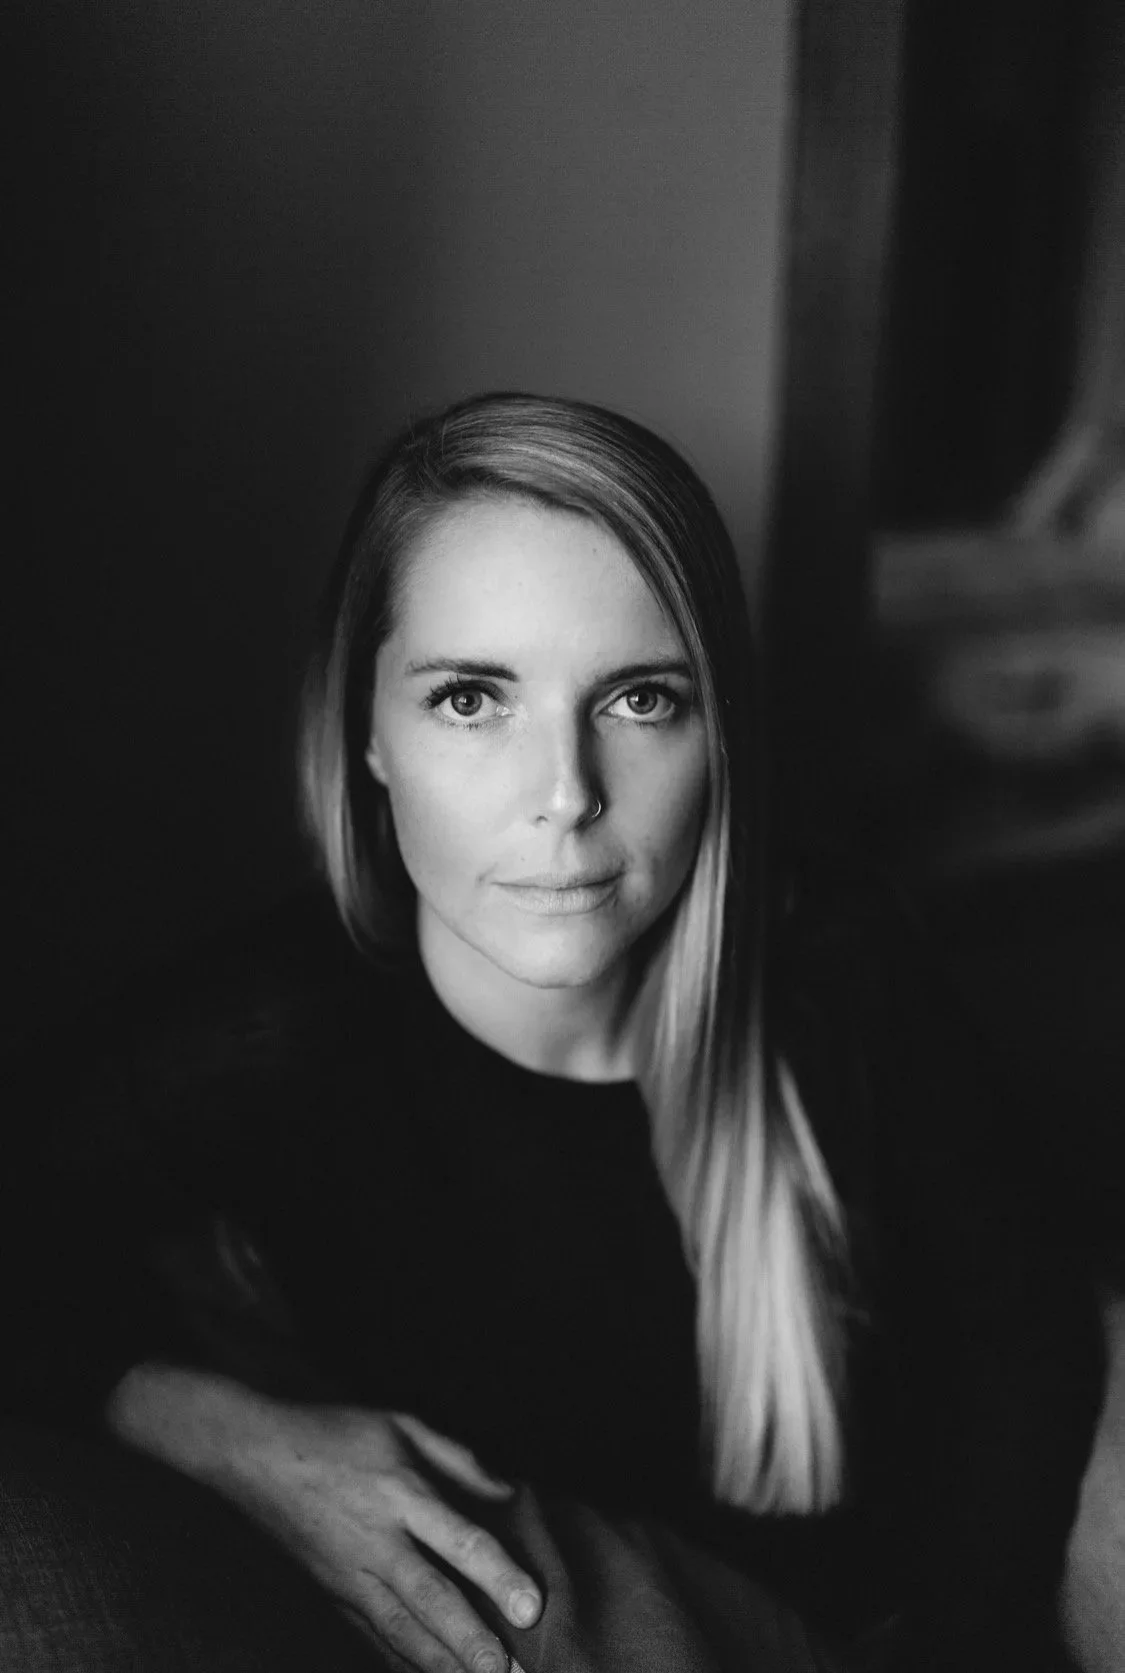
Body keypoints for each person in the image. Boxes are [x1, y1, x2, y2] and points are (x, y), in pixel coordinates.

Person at [1, 393, 1102, 1673]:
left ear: (718, 731)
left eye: (640, 699)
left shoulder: (834, 958)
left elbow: (1017, 1323)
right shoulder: (281, 1034)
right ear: (367, 730)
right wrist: (207, 1424)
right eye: (473, 699)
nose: (568, 795)